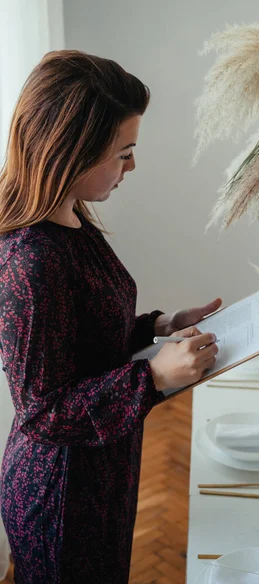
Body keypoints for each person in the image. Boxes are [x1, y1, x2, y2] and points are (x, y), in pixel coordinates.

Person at [0, 49, 221, 583]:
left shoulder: (72, 216)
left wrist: (158, 326)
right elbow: (42, 410)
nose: (133, 166)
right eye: (124, 152)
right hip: (61, 496)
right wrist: (153, 376)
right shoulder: (31, 260)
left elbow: (85, 333)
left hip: (100, 469)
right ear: (72, 151)